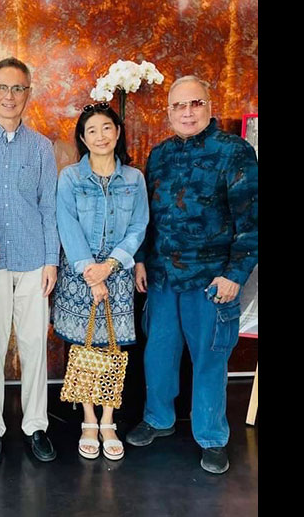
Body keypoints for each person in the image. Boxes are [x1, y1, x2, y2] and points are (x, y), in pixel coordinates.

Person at [127, 76, 258, 474]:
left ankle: (212, 437)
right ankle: (158, 418)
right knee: (158, 355)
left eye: (195, 103)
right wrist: (140, 259)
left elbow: (251, 221)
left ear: (208, 106)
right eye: (179, 106)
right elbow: (146, 217)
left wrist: (235, 274)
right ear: (168, 112)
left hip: (212, 281)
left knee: (209, 361)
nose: (187, 112)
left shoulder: (234, 152)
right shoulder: (160, 155)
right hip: (162, 278)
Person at [0, 57, 60, 463]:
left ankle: (36, 424)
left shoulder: (41, 147)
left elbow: (49, 206)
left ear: (28, 93)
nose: (9, 96)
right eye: (2, 88)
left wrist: (52, 260)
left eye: (17, 88)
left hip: (34, 259)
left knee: (35, 344)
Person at [53, 103, 148, 461]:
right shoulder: (70, 178)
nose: (100, 136)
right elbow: (66, 224)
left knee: (112, 349)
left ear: (118, 132)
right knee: (84, 347)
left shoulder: (134, 179)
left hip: (117, 274)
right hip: (81, 274)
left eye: (107, 128)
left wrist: (110, 266)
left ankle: (108, 420)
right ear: (82, 138)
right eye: (91, 130)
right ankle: (88, 419)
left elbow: (138, 226)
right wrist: (91, 273)